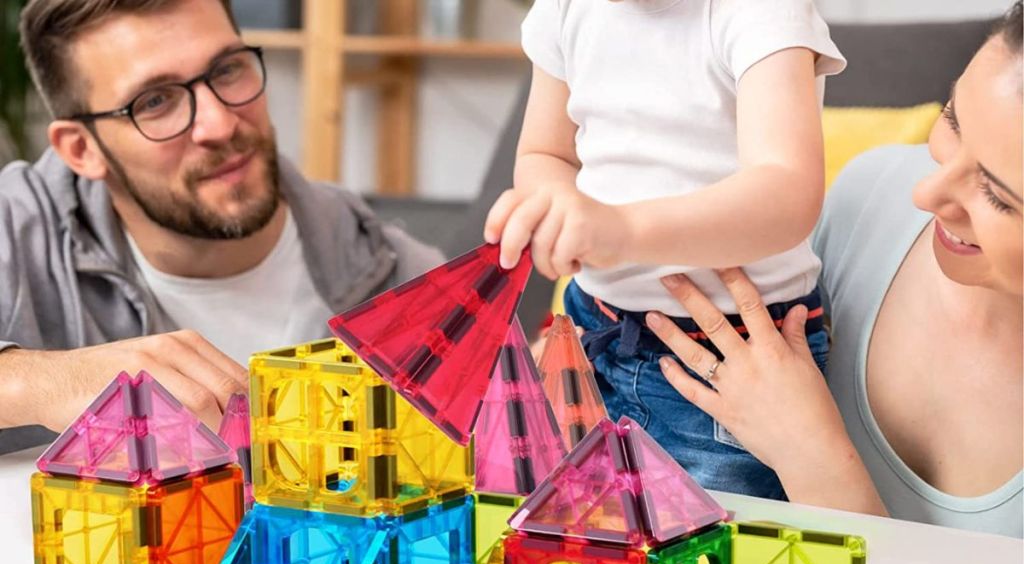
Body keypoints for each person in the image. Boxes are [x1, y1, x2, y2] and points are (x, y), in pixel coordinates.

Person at [0, 0, 444, 454]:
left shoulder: (401, 278)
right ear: (81, 150)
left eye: (228, 69)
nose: (220, 123)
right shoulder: (15, 233)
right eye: (155, 101)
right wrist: (35, 382)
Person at [647, 3, 1023, 536]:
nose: (927, 192)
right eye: (954, 121)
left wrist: (813, 457)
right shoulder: (869, 192)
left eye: (996, 194)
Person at [481, 0, 846, 498]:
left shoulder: (763, 12)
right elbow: (547, 153)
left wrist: (624, 229)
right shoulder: (566, 8)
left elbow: (787, 192)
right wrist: (554, 199)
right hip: (595, 329)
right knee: (570, 544)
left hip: (729, 363)